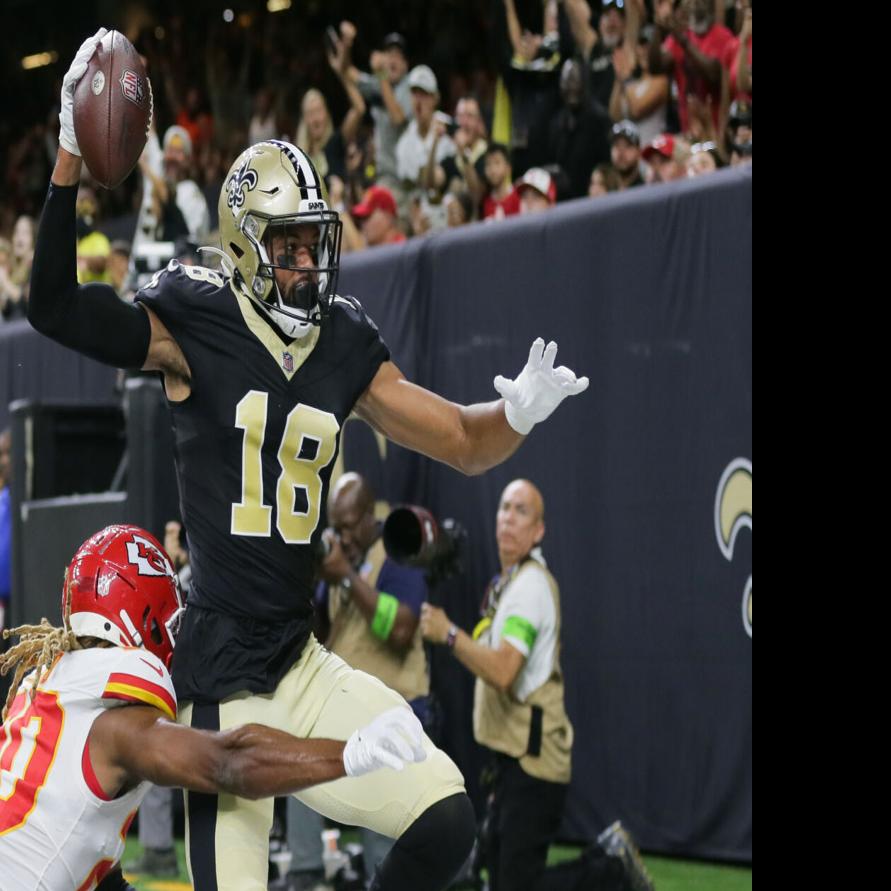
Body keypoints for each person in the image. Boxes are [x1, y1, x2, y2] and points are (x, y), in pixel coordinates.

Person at [28, 29, 588, 891]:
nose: (306, 262)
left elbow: (465, 443)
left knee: (445, 821)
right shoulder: (193, 316)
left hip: (304, 657)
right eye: (286, 244)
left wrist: (514, 413)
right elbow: (57, 306)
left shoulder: (342, 339)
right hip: (218, 679)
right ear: (246, 245)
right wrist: (70, 153)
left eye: (311, 240)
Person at [0, 524, 426, 891]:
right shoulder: (117, 729)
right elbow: (227, 762)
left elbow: (80, 852)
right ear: (147, 620)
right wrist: (350, 752)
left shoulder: (47, 693)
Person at [420, 480, 573, 891]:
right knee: (503, 876)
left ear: (539, 530)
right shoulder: (506, 584)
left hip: (534, 761)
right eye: (504, 507)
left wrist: (449, 634)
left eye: (521, 510)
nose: (508, 516)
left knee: (517, 883)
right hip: (511, 756)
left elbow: (504, 671)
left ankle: (609, 869)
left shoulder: (530, 589)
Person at [286, 472, 433, 888]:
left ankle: (378, 879)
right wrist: (315, 578)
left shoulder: (397, 551)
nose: (342, 536)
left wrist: (348, 577)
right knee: (295, 758)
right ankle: (305, 873)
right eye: (336, 526)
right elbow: (319, 633)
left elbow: (402, 631)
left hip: (395, 709)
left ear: (370, 517)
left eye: (349, 526)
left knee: (381, 833)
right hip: (347, 707)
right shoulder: (340, 560)